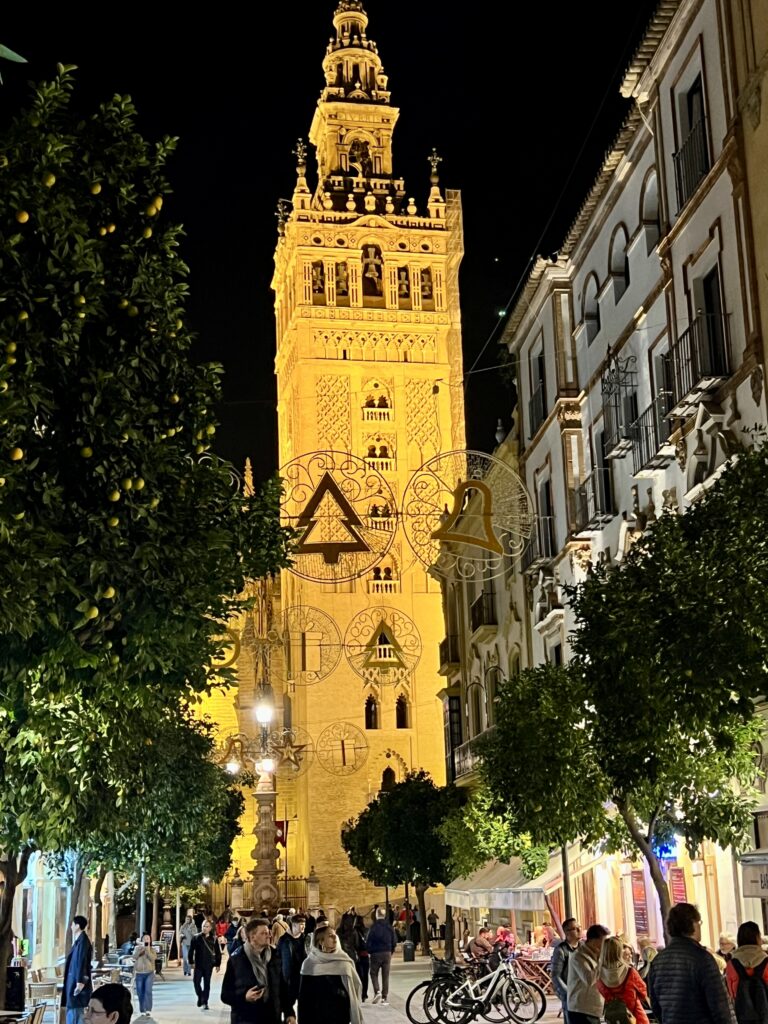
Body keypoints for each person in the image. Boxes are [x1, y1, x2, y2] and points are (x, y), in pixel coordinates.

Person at [649, 902, 735, 1024]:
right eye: (699, 922)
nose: (700, 927)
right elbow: (720, 1006)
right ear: (692, 924)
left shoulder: (658, 962)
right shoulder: (702, 958)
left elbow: (656, 1006)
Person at [221, 917, 296, 1024]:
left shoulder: (275, 956)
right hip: (246, 1018)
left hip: (272, 1018)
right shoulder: (237, 960)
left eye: (268, 932)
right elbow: (225, 995)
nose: (269, 935)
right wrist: (244, 997)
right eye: (264, 933)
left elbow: (282, 989)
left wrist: (290, 1013)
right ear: (252, 937)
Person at [298, 924, 363, 1024]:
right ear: (321, 941)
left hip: (340, 1017)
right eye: (330, 935)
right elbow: (303, 999)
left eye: (335, 935)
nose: (335, 938)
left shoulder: (343, 961)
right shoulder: (309, 964)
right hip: (316, 1018)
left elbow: (355, 988)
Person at [597, 935, 649, 1024]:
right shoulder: (629, 971)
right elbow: (643, 990)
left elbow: (603, 994)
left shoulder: (599, 974)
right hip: (635, 1014)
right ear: (619, 951)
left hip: (614, 1016)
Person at [725, 920, 768, 1023]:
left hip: (743, 1017)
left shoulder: (731, 964)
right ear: (757, 938)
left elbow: (731, 994)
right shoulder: (766, 962)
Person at [566, 923, 610, 1024]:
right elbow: (589, 979)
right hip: (581, 1009)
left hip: (594, 1008)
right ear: (594, 941)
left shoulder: (596, 955)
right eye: (604, 941)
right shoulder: (578, 956)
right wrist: (601, 960)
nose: (606, 945)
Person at [63, 915, 93, 1024]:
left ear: (77, 926)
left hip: (76, 982)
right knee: (74, 1011)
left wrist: (80, 982)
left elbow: (82, 963)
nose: (71, 926)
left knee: (76, 1012)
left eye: (72, 924)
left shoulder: (83, 942)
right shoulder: (79, 941)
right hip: (74, 981)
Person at [551, 918, 581, 1024]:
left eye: (579, 927)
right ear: (567, 932)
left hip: (583, 992)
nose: (579, 930)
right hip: (569, 993)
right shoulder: (561, 950)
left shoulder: (583, 947)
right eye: (574, 928)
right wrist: (568, 993)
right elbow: (555, 975)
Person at [366, 907, 397, 1006]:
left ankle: (377, 991)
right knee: (385, 975)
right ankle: (384, 997)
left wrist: (369, 951)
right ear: (384, 915)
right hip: (387, 952)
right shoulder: (389, 927)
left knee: (373, 973)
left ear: (376, 915)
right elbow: (394, 941)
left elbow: (368, 941)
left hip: (376, 953)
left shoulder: (373, 927)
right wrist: (390, 951)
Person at [189, 918, 222, 1011]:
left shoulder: (214, 939)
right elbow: (191, 950)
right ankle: (200, 996)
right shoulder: (196, 937)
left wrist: (218, 964)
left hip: (209, 965)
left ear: (210, 928)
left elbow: (218, 952)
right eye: (203, 926)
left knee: (207, 984)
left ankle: (205, 1002)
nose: (205, 928)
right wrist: (191, 962)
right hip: (198, 965)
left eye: (207, 926)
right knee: (196, 983)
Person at [277, 914, 307, 1008]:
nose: (303, 926)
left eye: (304, 924)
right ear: (294, 925)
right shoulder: (284, 940)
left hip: (303, 976)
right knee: (288, 1006)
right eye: (301, 924)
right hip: (289, 978)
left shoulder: (306, 939)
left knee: (304, 1006)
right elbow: (278, 958)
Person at [133, 932, 157, 1017]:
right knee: (140, 992)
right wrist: (140, 950)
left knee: (148, 990)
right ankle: (142, 1009)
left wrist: (147, 950)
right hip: (139, 973)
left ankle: (148, 1009)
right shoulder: (137, 948)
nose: (146, 940)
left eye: (148, 939)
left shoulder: (152, 949)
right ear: (142, 940)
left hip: (149, 973)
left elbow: (153, 958)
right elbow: (134, 957)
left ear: (150, 940)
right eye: (145, 938)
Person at [353, 915, 369, 1002]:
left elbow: (355, 944)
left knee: (359, 975)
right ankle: (364, 994)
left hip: (358, 956)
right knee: (366, 976)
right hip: (366, 955)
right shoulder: (366, 930)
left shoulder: (354, 931)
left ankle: (359, 993)